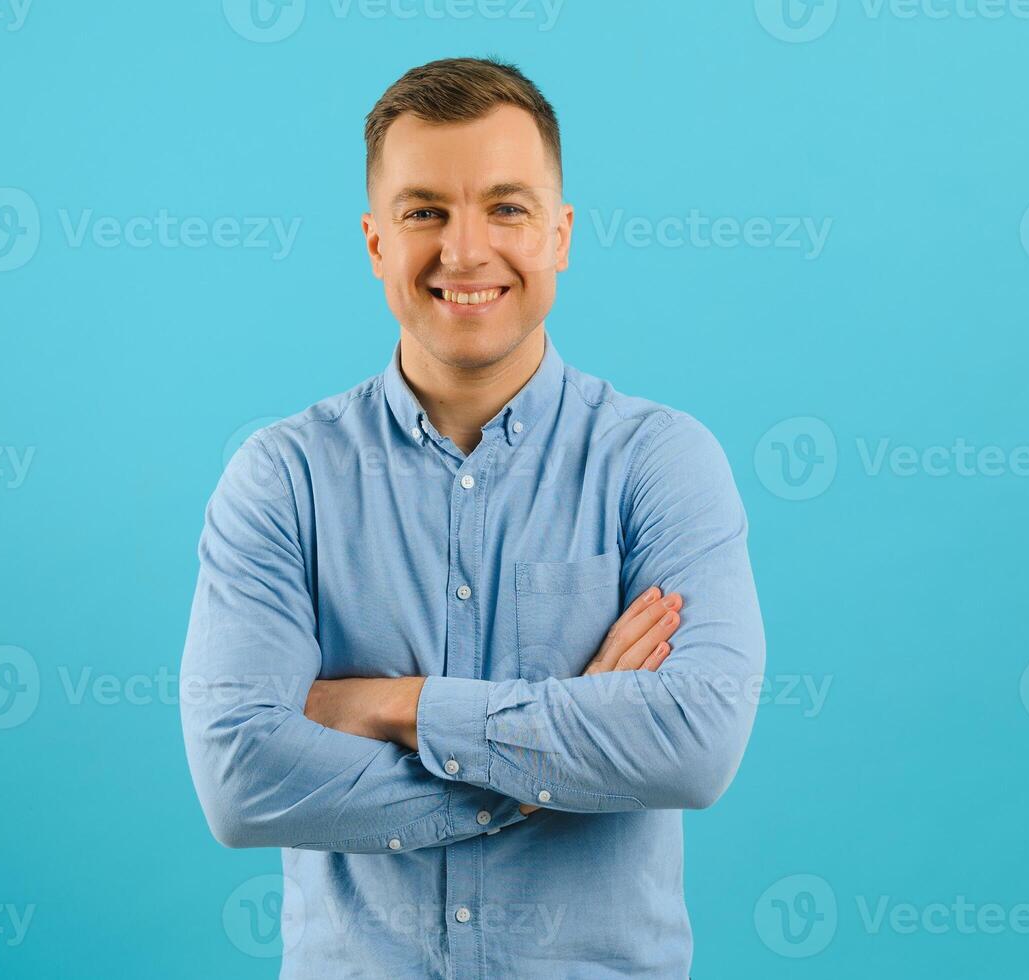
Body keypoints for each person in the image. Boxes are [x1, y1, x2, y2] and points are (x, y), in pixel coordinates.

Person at [180, 56, 766, 978]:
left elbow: (693, 743)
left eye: (507, 207)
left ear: (560, 234)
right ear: (375, 242)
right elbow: (241, 781)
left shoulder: (660, 462)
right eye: (424, 212)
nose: (464, 251)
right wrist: (543, 777)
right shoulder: (280, 479)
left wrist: (392, 707)